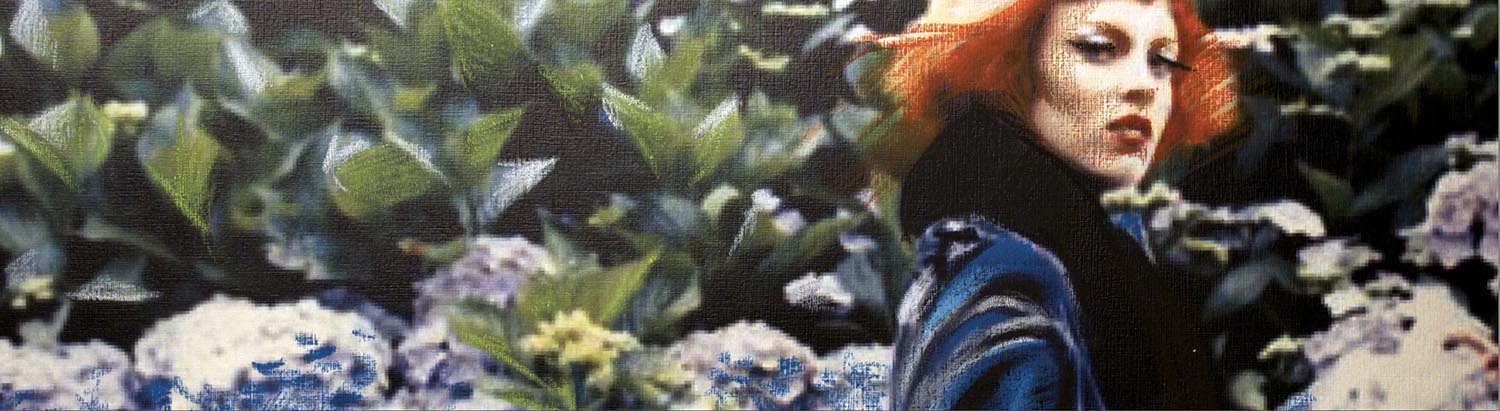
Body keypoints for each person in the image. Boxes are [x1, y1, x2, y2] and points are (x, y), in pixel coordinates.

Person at [865, 0, 1240, 408]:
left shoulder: (1097, 247)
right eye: (1098, 48)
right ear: (1012, 59)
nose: (1144, 85)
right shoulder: (1001, 276)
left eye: (1162, 61)